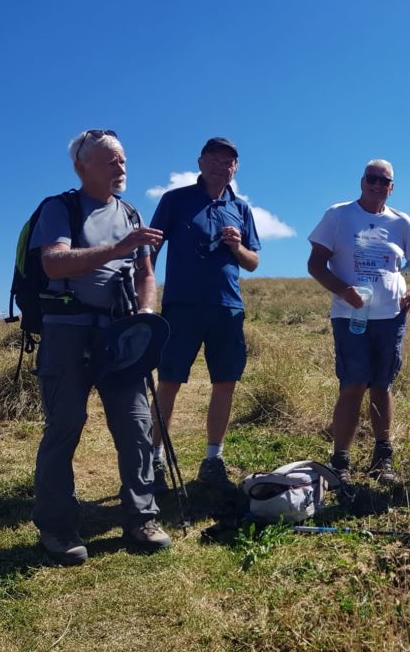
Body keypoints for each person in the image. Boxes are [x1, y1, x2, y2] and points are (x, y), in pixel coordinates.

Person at [30, 129, 171, 565]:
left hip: (120, 333)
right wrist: (118, 248)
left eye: (122, 159)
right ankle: (56, 526)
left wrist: (145, 313)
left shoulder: (130, 212)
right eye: (110, 160)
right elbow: (53, 262)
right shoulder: (60, 208)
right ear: (81, 166)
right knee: (65, 424)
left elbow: (145, 273)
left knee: (136, 423)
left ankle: (142, 516)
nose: (120, 166)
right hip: (67, 331)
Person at [148, 137, 261, 492]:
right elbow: (152, 248)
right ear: (200, 162)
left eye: (229, 162)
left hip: (227, 307)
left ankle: (213, 460)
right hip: (181, 306)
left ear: (236, 168)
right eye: (214, 159)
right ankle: (153, 461)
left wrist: (237, 246)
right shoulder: (175, 200)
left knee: (225, 382)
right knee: (169, 381)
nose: (221, 166)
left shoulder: (240, 208)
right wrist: (144, 296)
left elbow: (253, 262)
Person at [307, 159, 410, 488]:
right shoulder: (338, 215)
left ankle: (382, 457)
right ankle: (340, 461)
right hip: (350, 317)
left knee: (382, 385)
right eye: (372, 179)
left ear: (392, 187)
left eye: (384, 181)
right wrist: (342, 291)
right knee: (353, 384)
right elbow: (315, 264)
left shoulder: (401, 221)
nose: (377, 185)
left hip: (391, 316)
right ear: (362, 182)